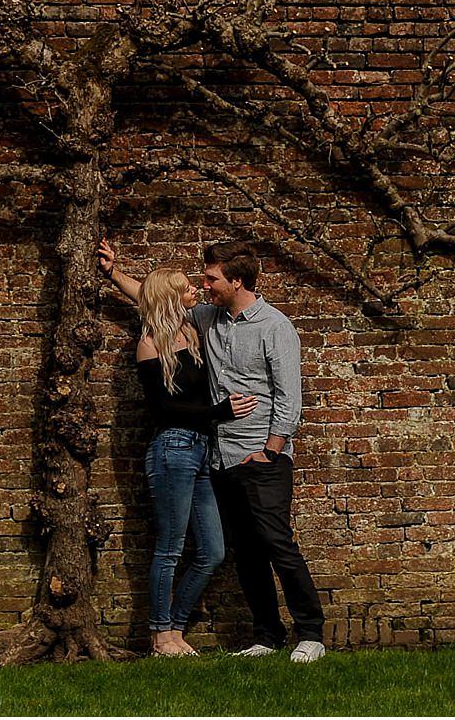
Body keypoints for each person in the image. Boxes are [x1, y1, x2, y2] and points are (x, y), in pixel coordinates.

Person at [101, 237, 327, 664]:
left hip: (260, 457)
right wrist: (114, 273)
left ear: (236, 281)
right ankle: (267, 634)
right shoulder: (209, 318)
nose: (204, 286)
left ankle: (311, 633)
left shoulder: (274, 327)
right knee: (246, 552)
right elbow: (154, 299)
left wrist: (272, 450)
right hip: (218, 458)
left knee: (278, 544)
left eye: (211, 279)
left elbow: (289, 398)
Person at [132, 267, 257, 656]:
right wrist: (219, 412)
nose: (194, 290)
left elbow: (143, 290)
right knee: (170, 547)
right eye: (185, 287)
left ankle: (176, 627)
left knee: (212, 552)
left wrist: (114, 272)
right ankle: (159, 637)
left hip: (201, 449)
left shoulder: (191, 331)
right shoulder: (150, 345)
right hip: (173, 450)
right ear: (169, 298)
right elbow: (164, 409)